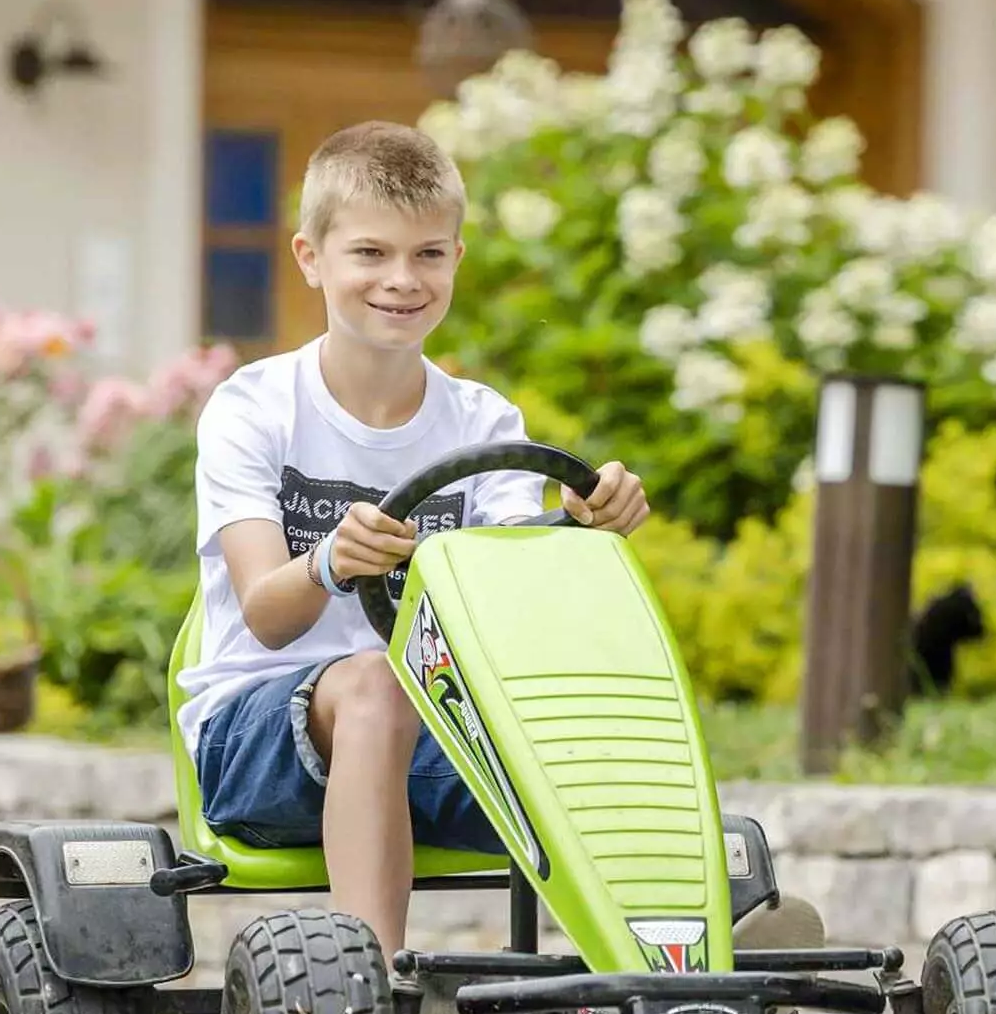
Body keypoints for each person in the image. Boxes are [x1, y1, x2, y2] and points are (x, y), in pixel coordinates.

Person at [178, 121, 650, 960]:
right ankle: (373, 990)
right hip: (257, 741)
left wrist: (583, 526)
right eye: (370, 254)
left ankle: (667, 981)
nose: (402, 280)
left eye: (428, 255)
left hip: (437, 735)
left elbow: (514, 608)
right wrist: (329, 560)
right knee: (373, 685)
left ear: (456, 262)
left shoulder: (482, 422)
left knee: (612, 750)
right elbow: (266, 616)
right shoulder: (254, 410)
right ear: (310, 257)